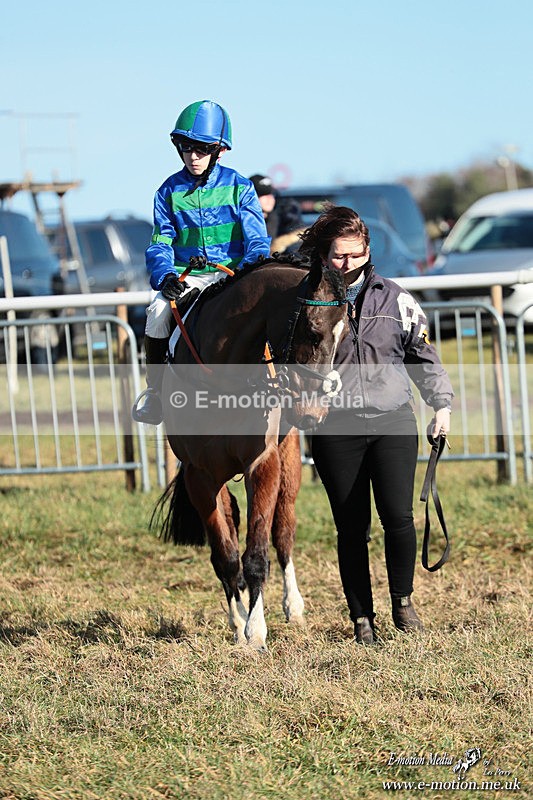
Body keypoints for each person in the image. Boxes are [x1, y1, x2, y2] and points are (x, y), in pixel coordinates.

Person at [300, 206, 453, 645]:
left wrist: (440, 405)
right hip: (335, 425)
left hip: (393, 421)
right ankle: (361, 618)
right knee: (351, 528)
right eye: (337, 256)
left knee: (399, 518)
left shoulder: (397, 298)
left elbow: (421, 355)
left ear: (368, 251)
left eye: (354, 255)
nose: (346, 265)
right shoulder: (309, 302)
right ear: (324, 255)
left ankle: (402, 603)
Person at [132, 100, 271, 425]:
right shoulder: (167, 191)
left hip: (234, 277)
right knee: (156, 312)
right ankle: (155, 393)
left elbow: (257, 241)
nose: (193, 156)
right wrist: (164, 275)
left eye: (202, 149)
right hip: (188, 278)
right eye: (186, 147)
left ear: (219, 150)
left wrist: (245, 274)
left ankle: (282, 384)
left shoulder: (240, 187)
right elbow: (161, 241)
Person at [249, 174, 305, 254]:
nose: (269, 198)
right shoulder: (244, 221)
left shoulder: (285, 214)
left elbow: (299, 234)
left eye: (271, 194)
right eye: (262, 195)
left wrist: (281, 243)